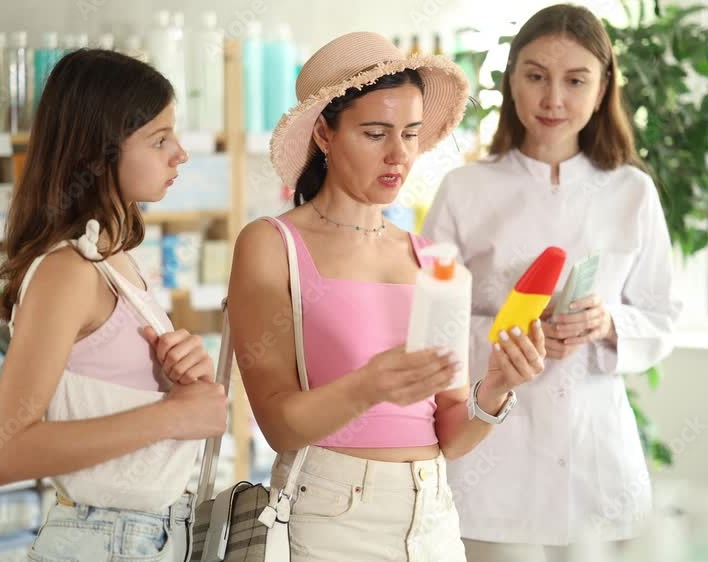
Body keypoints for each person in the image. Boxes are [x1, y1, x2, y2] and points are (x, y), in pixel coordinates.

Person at [228, 32, 547, 561]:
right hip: (330, 519)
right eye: (375, 133)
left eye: (411, 134)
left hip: (432, 517)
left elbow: (450, 434)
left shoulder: (431, 259)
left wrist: (496, 387)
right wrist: (368, 386)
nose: (399, 154)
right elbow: (279, 425)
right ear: (325, 134)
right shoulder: (272, 245)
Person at [423, 5, 682, 561]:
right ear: (511, 79)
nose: (553, 99)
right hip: (493, 468)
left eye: (576, 80)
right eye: (536, 76)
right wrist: (510, 334)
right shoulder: (464, 190)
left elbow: (662, 317)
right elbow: (426, 325)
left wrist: (607, 323)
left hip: (599, 462)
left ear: (603, 87)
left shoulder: (632, 192)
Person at [0, 49, 228, 561]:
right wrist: (171, 415)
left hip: (147, 536)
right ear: (98, 154)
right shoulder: (68, 272)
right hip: (103, 540)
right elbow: (4, 455)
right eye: (159, 140)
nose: (180, 154)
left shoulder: (114, 260)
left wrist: (182, 378)